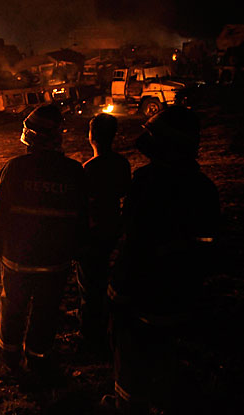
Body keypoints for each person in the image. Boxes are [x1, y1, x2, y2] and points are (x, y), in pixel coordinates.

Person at [107, 106, 220, 414]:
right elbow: (208, 246)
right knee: (168, 355)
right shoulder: (205, 188)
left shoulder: (147, 183)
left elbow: (135, 243)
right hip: (183, 293)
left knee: (132, 358)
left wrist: (118, 292)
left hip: (143, 294)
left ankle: (129, 404)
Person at [0, 104, 89, 380]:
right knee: (47, 310)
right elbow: (81, 217)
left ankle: (9, 356)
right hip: (55, 261)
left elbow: (0, 211)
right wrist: (79, 248)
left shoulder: (15, 168)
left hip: (18, 257)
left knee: (14, 306)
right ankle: (38, 355)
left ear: (29, 136)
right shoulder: (74, 172)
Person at [77, 113, 131, 355]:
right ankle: (111, 326)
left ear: (91, 136)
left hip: (93, 233)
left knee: (90, 284)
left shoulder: (87, 169)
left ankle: (90, 336)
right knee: (111, 280)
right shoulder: (122, 164)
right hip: (114, 227)